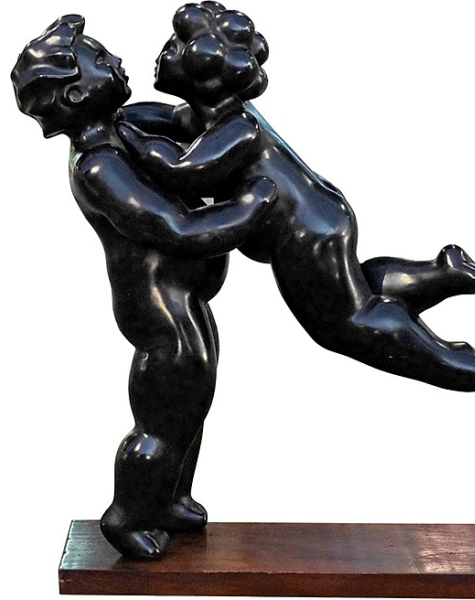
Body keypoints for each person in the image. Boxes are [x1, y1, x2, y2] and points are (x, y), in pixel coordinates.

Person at [118, 1, 475, 393]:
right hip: (320, 217)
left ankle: (446, 358)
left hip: (303, 234)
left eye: (172, 49)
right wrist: (118, 118)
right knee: (355, 288)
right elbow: (167, 118)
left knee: (345, 322)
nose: (161, 56)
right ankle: (441, 273)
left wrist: (129, 138)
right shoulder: (212, 116)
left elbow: (182, 167)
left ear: (201, 73)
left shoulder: (238, 129)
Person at [11, 15, 278, 559]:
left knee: (191, 404)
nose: (115, 60)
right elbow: (177, 228)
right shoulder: (99, 167)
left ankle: (169, 497)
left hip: (185, 299)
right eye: (99, 59)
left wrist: (220, 111)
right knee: (163, 416)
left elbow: (183, 121)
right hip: (160, 311)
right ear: (77, 92)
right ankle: (128, 515)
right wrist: (250, 208)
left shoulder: (125, 124)